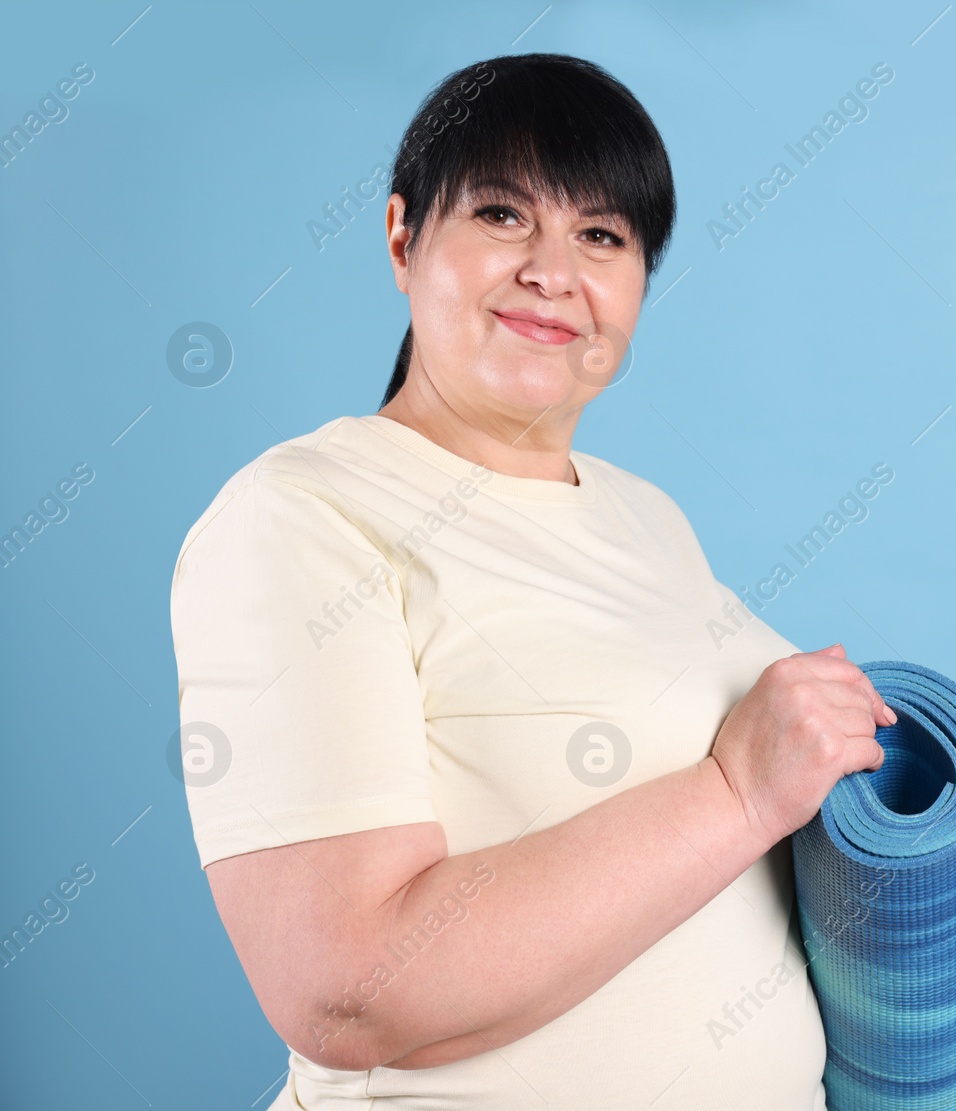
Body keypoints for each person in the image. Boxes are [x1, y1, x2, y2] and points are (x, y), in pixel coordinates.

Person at [169, 53, 892, 1111]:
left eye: (602, 235)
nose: (554, 271)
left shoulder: (644, 514)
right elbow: (345, 991)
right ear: (404, 239)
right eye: (504, 215)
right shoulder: (301, 516)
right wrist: (739, 791)